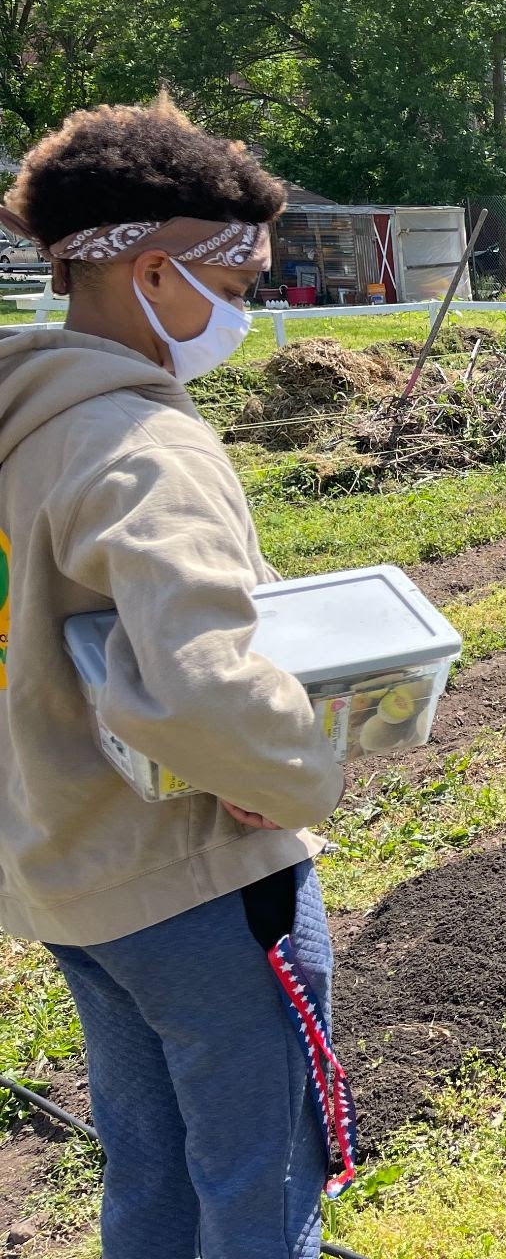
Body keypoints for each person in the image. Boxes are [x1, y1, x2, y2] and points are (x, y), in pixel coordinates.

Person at [0, 100, 348, 1258]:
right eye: (240, 283)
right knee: (261, 1181)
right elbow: (203, 693)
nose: (248, 307)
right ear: (154, 272)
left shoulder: (25, 423)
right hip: (194, 883)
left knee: (148, 1169)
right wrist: (293, 774)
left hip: (68, 870)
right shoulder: (146, 447)